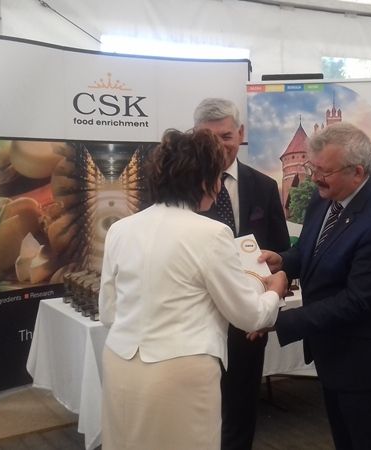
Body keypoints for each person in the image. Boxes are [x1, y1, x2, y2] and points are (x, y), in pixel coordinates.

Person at [98, 128, 287, 450]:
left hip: (120, 363)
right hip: (180, 371)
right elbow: (250, 317)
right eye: (217, 175)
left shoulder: (120, 229)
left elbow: (108, 312)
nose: (220, 184)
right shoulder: (212, 233)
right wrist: (274, 288)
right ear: (205, 180)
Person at [259, 122, 371, 450]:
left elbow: (356, 301)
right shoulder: (325, 199)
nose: (314, 177)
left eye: (324, 171)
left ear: (357, 172)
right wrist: (282, 261)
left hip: (366, 362)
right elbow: (311, 251)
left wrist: (277, 320)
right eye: (312, 168)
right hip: (334, 353)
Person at [193, 98, 291, 450]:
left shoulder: (263, 186)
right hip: (198, 321)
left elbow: (282, 250)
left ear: (241, 133)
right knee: (198, 413)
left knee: (241, 408)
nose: (219, 146)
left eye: (226, 136)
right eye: (209, 138)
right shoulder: (182, 188)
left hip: (248, 323)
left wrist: (271, 294)